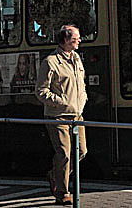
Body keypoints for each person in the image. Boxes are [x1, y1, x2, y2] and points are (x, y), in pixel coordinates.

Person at [35, 24, 88, 205]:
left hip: (77, 116)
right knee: (64, 154)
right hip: (58, 116)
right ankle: (63, 193)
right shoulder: (50, 62)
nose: (79, 40)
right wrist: (62, 102)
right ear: (66, 40)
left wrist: (83, 99)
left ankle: (55, 175)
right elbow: (41, 91)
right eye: (76, 38)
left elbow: (81, 84)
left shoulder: (77, 59)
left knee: (81, 151)